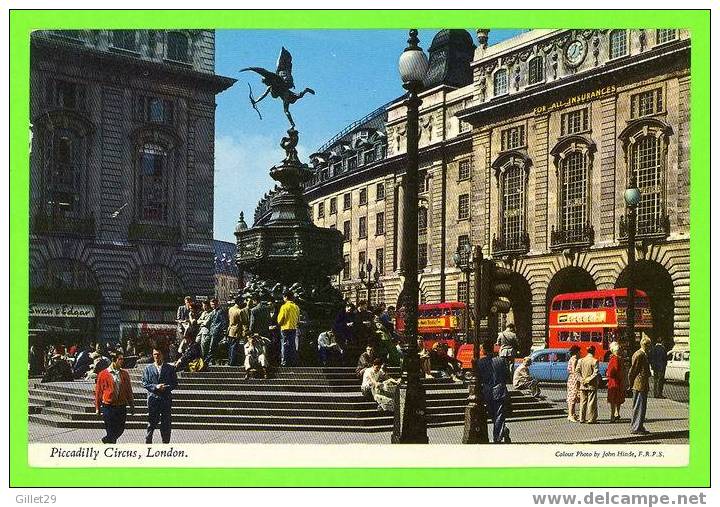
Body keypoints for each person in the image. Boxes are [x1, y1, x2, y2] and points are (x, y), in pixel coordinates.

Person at [94, 351, 135, 444]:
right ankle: (111, 445)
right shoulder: (103, 374)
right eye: (120, 359)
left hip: (121, 406)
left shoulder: (124, 374)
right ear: (114, 360)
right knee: (110, 429)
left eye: (122, 359)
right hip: (108, 406)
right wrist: (97, 407)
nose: (122, 361)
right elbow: (98, 392)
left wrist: (132, 405)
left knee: (120, 429)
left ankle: (108, 439)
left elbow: (128, 390)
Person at [476, 339, 510, 443]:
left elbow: (478, 378)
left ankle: (497, 438)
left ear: (484, 350)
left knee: (493, 414)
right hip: (499, 389)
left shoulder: (479, 362)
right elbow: (507, 376)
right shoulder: (501, 360)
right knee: (498, 414)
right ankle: (502, 431)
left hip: (487, 391)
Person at [141, 348, 178, 444]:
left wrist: (165, 387)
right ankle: (148, 439)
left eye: (158, 354)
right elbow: (145, 383)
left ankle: (165, 442)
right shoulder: (148, 368)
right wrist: (155, 387)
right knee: (152, 421)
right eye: (154, 354)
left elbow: (174, 383)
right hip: (153, 399)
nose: (156, 356)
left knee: (166, 422)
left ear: (162, 355)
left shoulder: (170, 368)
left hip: (165, 399)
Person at [628, 336, 652, 434]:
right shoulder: (639, 355)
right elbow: (633, 370)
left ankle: (640, 426)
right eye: (649, 345)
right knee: (639, 406)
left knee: (642, 406)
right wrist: (630, 383)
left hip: (642, 384)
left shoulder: (643, 354)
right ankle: (636, 427)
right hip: (639, 384)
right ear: (645, 345)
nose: (650, 347)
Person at [575, 345, 600, 424]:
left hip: (583, 384)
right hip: (591, 384)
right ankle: (591, 419)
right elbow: (595, 373)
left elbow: (577, 372)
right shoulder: (595, 361)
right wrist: (588, 379)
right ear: (594, 351)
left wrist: (582, 379)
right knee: (591, 402)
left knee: (583, 402)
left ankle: (581, 418)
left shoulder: (581, 360)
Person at [276, 291, 300, 367]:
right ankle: (293, 361)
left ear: (286, 297)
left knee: (284, 345)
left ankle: (284, 361)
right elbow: (298, 319)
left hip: (285, 328)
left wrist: (278, 325)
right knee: (292, 345)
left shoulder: (284, 306)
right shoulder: (296, 307)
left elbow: (280, 320)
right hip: (293, 328)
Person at [606, 341, 626, 422]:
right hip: (620, 380)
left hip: (613, 381)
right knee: (618, 399)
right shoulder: (621, 359)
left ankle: (612, 415)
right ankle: (617, 413)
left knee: (613, 400)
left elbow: (611, 372)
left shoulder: (613, 359)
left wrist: (607, 373)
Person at [227, 295, 249, 367]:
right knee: (234, 346)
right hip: (236, 330)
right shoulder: (240, 311)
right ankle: (233, 362)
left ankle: (230, 360)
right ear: (239, 302)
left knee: (230, 346)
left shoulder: (230, 309)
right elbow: (244, 322)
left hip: (230, 329)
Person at [204, 298, 226, 366]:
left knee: (212, 346)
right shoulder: (213, 312)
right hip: (211, 331)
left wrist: (223, 331)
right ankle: (212, 360)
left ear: (217, 303)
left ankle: (207, 360)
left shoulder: (220, 311)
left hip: (217, 332)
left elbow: (223, 322)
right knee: (206, 343)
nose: (212, 306)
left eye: (214, 304)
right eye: (211, 304)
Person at [566, 345, 581, 422]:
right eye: (579, 351)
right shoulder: (575, 359)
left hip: (571, 378)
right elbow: (575, 371)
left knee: (573, 396)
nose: (580, 353)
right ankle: (570, 415)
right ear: (577, 352)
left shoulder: (571, 359)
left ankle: (573, 414)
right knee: (573, 396)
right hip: (574, 379)